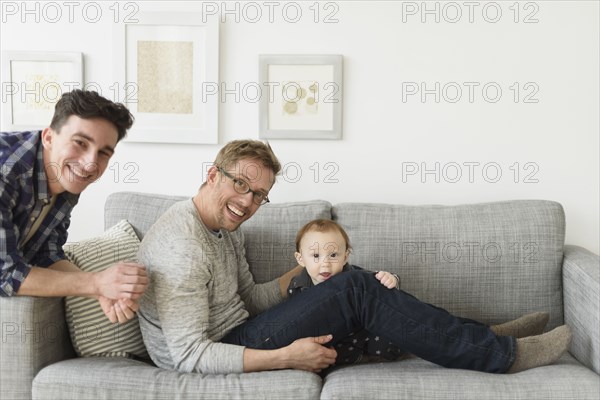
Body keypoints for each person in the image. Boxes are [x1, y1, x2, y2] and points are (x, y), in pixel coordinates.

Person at [137, 139, 572, 375]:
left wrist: (311, 270)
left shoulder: (223, 228)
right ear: (212, 175)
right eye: (241, 186)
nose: (248, 202)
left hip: (242, 328)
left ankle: (477, 334)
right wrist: (285, 357)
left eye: (260, 196)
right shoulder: (183, 244)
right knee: (358, 288)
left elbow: (248, 297)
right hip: (227, 347)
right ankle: (503, 354)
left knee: (353, 280)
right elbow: (188, 357)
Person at [289, 218, 554, 368]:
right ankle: (501, 350)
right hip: (372, 347)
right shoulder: (298, 290)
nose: (325, 263)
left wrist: (391, 279)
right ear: (300, 259)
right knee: (418, 326)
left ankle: (491, 332)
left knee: (427, 315)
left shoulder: (352, 276)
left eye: (333, 254)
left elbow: (383, 294)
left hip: (383, 336)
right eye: (315, 255)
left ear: (346, 255)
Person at [1, 89, 148, 323]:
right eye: (80, 143)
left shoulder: (65, 177)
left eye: (103, 153)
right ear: (48, 137)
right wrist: (97, 283)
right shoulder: (5, 171)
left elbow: (45, 253)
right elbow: (5, 274)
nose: (90, 163)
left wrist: (101, 290)